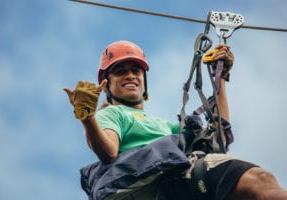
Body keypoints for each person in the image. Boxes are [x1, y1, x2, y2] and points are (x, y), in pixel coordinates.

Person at [64, 41, 287, 200]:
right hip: (163, 181)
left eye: (136, 70)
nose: (130, 75)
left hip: (175, 183)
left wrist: (220, 78)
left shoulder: (168, 128)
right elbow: (108, 153)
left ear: (145, 82)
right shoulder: (113, 114)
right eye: (120, 72)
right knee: (259, 180)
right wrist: (88, 117)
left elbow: (217, 138)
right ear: (106, 86)